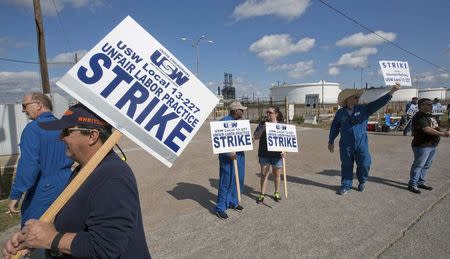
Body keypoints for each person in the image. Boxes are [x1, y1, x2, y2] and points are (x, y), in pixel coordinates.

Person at [2, 104, 151, 258]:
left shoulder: (113, 176)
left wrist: (50, 239)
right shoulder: (83, 170)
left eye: (67, 131)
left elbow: (106, 246)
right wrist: (32, 238)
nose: (61, 137)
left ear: (92, 136)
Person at [8, 93, 73, 226]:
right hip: (68, 183)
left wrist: (16, 194)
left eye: (25, 105)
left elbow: (29, 165)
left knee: (33, 232)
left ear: (38, 105)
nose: (23, 110)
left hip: (45, 188)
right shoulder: (63, 126)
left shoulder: (33, 129)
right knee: (62, 227)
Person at [328, 83, 401, 195]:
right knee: (346, 165)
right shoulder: (340, 113)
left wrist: (392, 91)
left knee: (365, 163)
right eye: (355, 97)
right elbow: (334, 127)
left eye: (358, 97)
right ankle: (346, 185)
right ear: (348, 99)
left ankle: (362, 180)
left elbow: (379, 103)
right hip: (346, 144)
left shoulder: (364, 109)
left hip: (361, 143)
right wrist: (331, 140)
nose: (357, 99)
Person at [407, 98, 450, 194]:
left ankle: (420, 182)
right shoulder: (419, 116)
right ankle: (412, 184)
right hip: (422, 146)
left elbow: (439, 124)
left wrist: (447, 122)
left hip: (432, 145)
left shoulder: (430, 116)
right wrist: (442, 134)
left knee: (427, 165)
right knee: (418, 165)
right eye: (429, 104)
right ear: (422, 105)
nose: (431, 106)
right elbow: (427, 129)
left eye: (431, 104)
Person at [215, 101, 247, 220]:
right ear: (235, 111)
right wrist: (228, 153)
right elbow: (218, 142)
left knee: (238, 179)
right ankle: (220, 207)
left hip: (239, 156)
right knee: (226, 182)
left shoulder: (239, 124)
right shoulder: (223, 122)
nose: (243, 112)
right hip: (227, 158)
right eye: (241, 110)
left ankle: (233, 202)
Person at [253, 106, 286, 203]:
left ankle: (276, 192)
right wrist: (263, 128)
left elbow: (287, 141)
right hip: (264, 154)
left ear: (276, 114)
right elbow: (256, 136)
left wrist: (285, 151)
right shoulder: (263, 124)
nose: (267, 114)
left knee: (276, 175)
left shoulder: (281, 125)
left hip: (277, 155)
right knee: (264, 174)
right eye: (267, 112)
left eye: (270, 112)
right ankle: (262, 194)